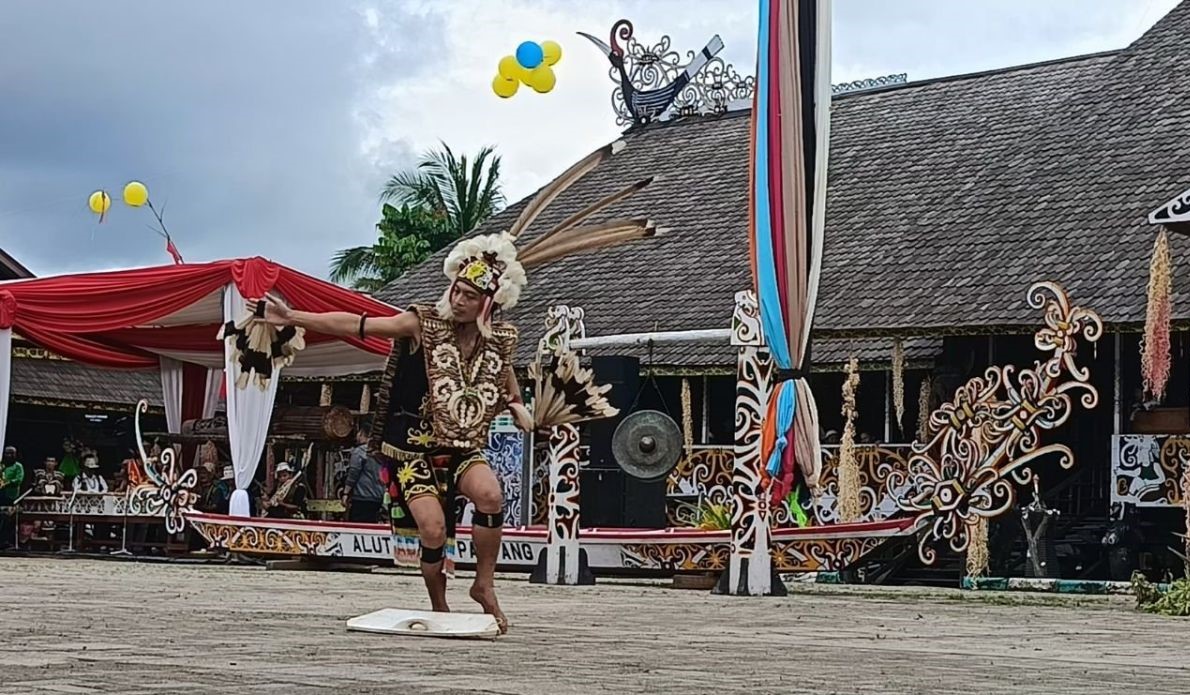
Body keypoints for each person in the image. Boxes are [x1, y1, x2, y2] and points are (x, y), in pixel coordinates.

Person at [252, 233, 534, 634]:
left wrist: (517, 405)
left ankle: (483, 585)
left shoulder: (495, 342)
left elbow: (506, 381)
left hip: (459, 446)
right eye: (457, 290)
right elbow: (358, 325)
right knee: (433, 529)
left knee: (490, 495)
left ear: (487, 304)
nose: (458, 299)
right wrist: (294, 317)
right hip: (411, 449)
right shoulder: (421, 323)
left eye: (470, 296)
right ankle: (439, 602)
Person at [341, 421, 385, 524]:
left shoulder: (359, 452)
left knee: (359, 526)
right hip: (378, 497)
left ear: (361, 433)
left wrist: (346, 493)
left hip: (362, 497)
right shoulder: (381, 452)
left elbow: (353, 474)